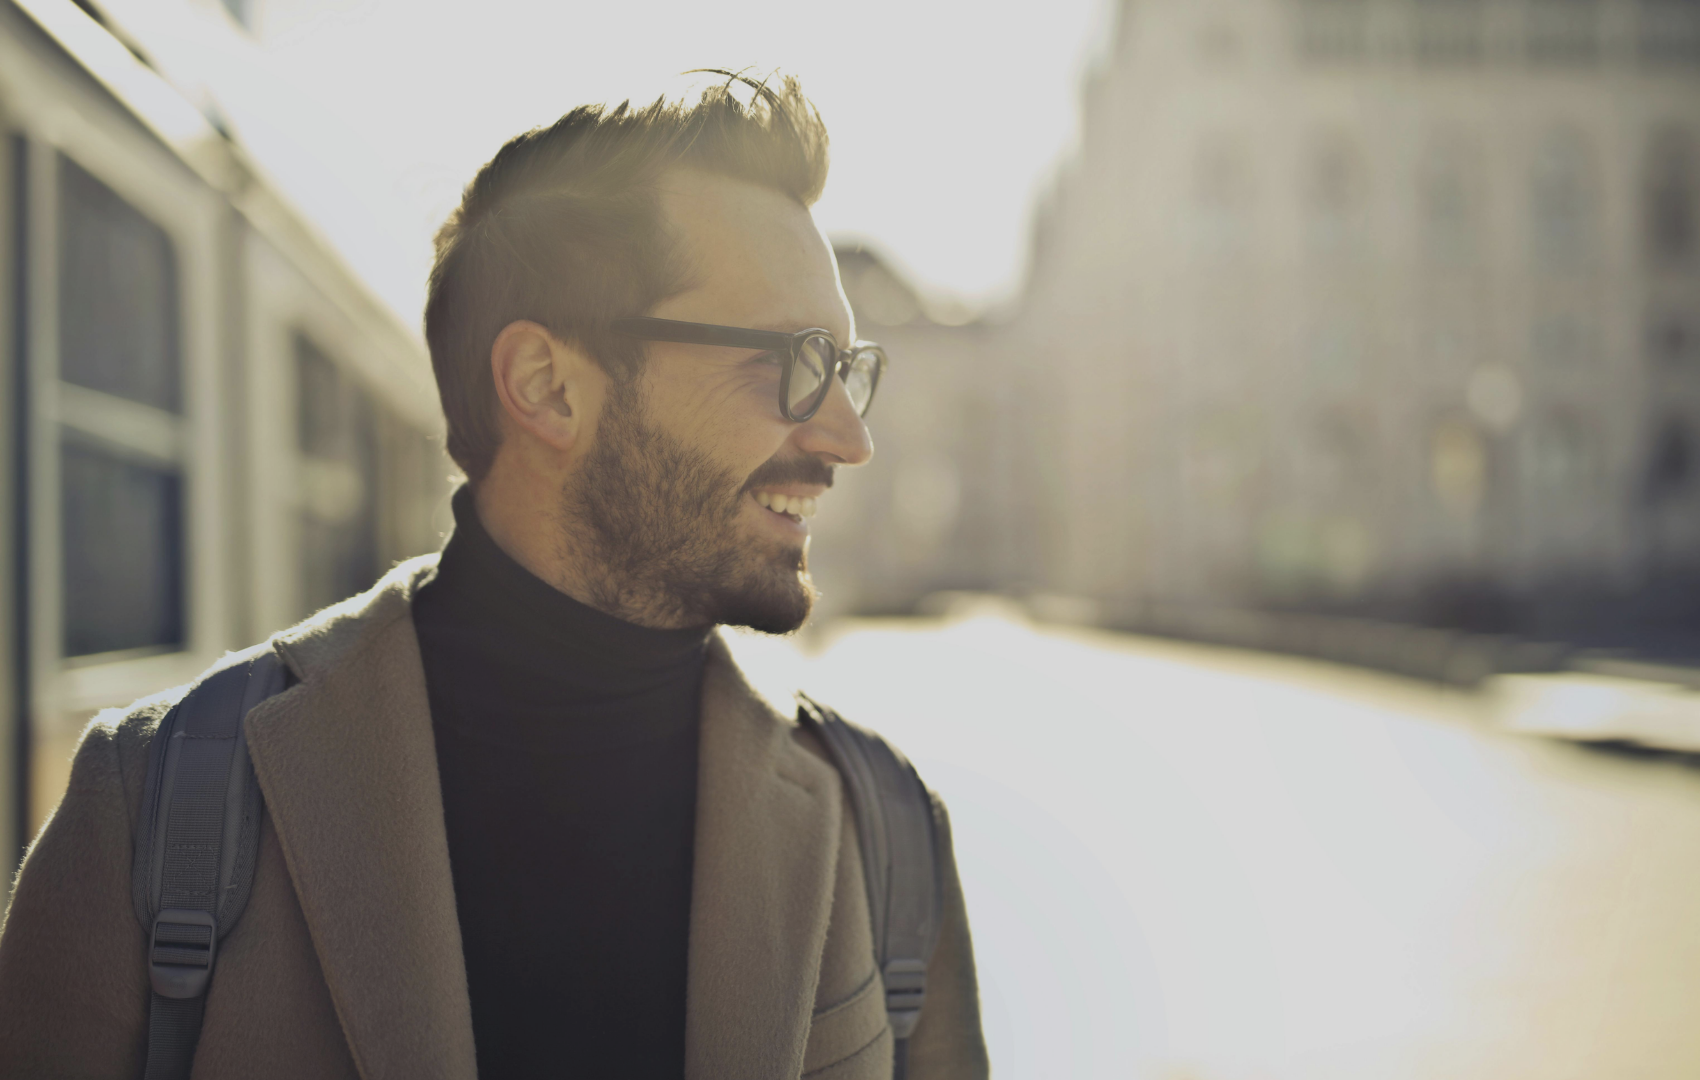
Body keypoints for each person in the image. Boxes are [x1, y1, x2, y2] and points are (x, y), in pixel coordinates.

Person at [0, 73, 988, 1079]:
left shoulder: (882, 826)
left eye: (845, 370)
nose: (847, 439)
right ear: (547, 387)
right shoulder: (158, 807)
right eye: (796, 360)